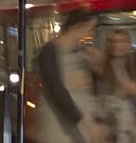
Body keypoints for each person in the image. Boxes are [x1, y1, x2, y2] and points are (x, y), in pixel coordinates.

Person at [36, 8, 106, 143]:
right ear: (76, 27)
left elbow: (92, 87)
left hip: (83, 121)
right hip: (60, 123)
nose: (90, 34)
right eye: (89, 29)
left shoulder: (83, 52)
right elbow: (56, 89)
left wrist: (98, 66)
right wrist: (81, 120)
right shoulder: (49, 51)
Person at [99, 29, 136, 143]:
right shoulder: (102, 68)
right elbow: (101, 108)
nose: (117, 45)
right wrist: (122, 91)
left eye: (122, 41)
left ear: (128, 44)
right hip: (114, 132)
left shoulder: (134, 67)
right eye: (113, 41)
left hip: (134, 131)